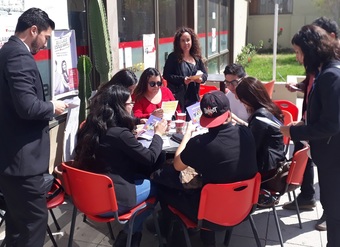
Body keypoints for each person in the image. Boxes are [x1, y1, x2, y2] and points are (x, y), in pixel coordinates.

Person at [0, 8, 68, 247]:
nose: (46, 43)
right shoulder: (19, 56)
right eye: (46, 37)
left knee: (18, 228)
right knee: (32, 229)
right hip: (23, 165)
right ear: (33, 30)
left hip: (10, 160)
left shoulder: (5, 52)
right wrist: (52, 106)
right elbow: (27, 107)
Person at [156, 90, 258, 246]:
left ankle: (170, 236)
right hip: (244, 207)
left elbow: (177, 165)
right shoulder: (247, 133)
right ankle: (207, 239)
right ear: (229, 114)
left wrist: (188, 135)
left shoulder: (199, 143)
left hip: (209, 213)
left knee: (163, 184)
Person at [74, 85, 168, 247]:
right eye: (130, 103)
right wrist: (158, 134)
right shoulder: (119, 134)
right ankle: (129, 234)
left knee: (142, 176)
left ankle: (133, 236)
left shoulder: (90, 127)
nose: (132, 105)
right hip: (110, 201)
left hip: (86, 196)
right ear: (120, 107)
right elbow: (151, 158)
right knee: (160, 185)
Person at [280, 25, 340, 247]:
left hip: (334, 159)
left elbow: (332, 125)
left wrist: (294, 131)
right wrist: (305, 123)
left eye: (298, 51)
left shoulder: (331, 75)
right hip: (329, 157)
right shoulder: (325, 72)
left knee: (334, 215)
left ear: (312, 49)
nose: (297, 57)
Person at [236, 77, 286, 183]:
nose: (242, 103)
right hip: (276, 161)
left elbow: (251, 147)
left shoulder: (260, 117)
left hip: (266, 170)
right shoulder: (271, 109)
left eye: (242, 100)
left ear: (248, 99)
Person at [163, 27, 208, 115]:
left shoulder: (197, 57)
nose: (186, 43)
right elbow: (166, 75)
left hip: (194, 97)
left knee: (195, 124)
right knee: (180, 123)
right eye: (182, 40)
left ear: (192, 41)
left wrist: (201, 79)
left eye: (188, 40)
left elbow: (205, 74)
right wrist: (183, 80)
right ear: (178, 42)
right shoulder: (173, 57)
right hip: (178, 98)